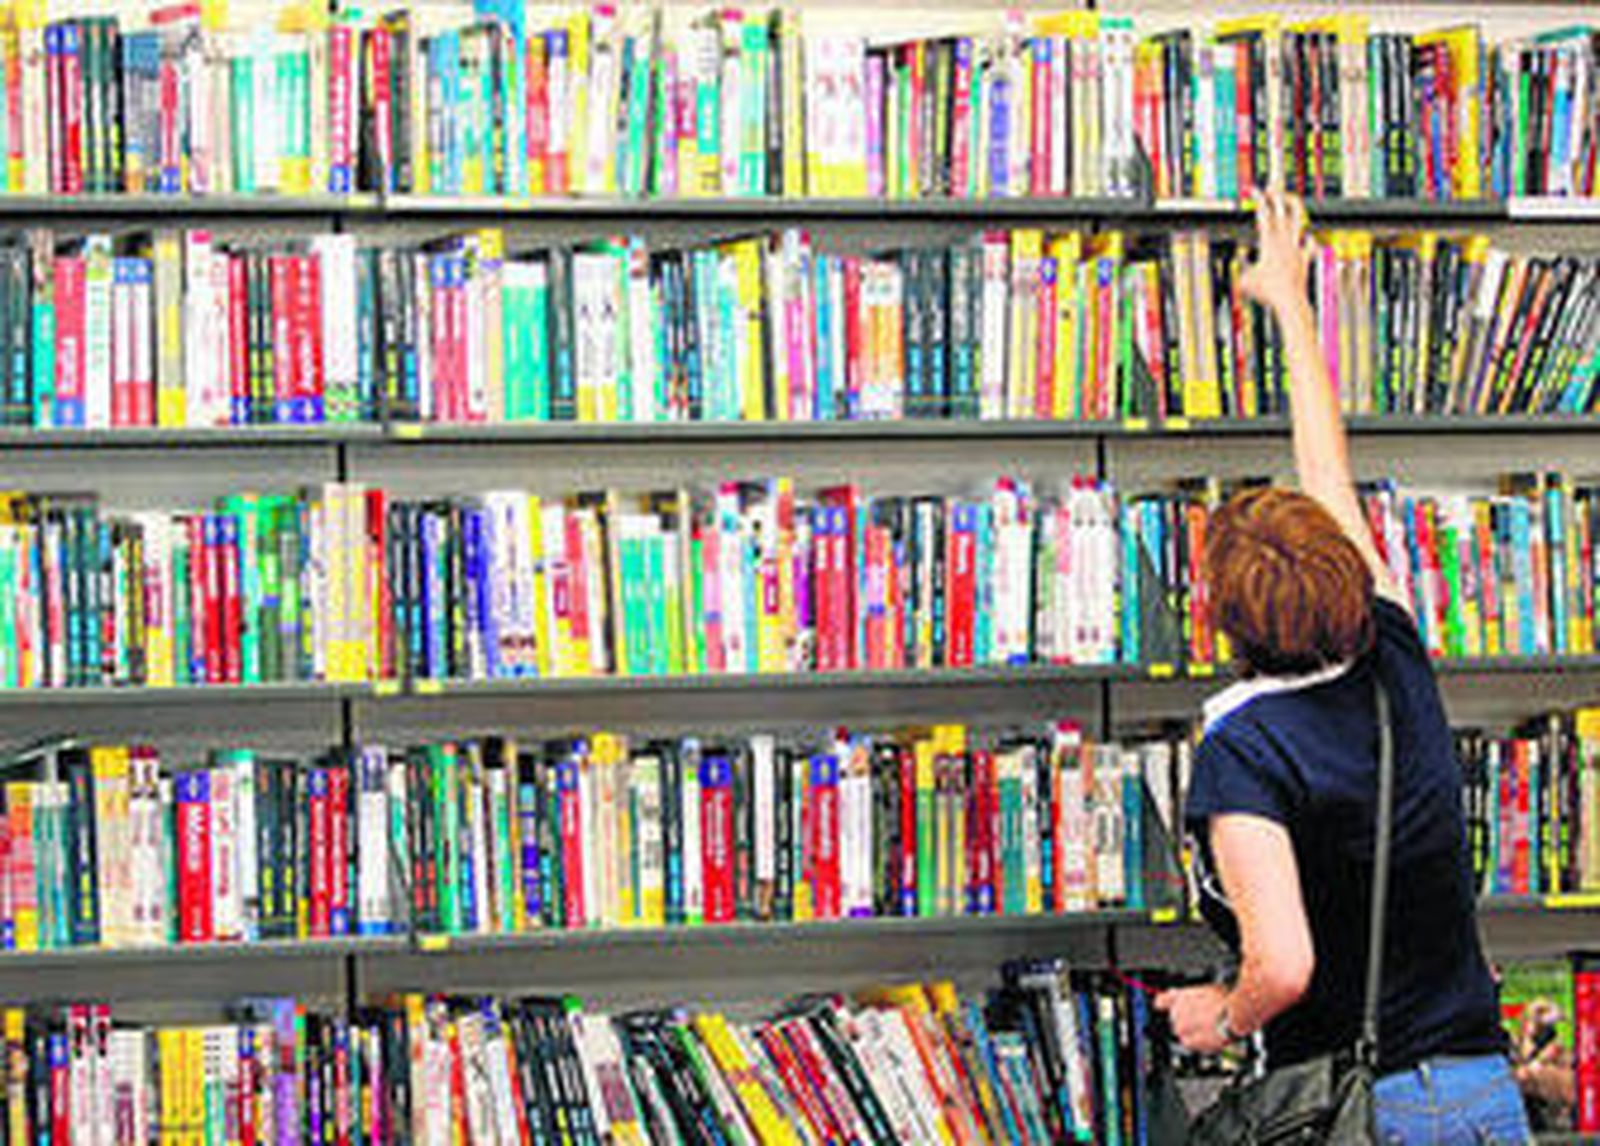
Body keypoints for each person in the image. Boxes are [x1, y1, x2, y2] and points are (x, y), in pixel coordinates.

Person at [1153, 190, 1532, 1145]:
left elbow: (1284, 965)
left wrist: (1222, 1015)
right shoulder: (1396, 651)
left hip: (1365, 1111)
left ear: (1225, 619)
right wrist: (1291, 302)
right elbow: (1330, 474)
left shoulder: (1248, 747)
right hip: (1482, 1091)